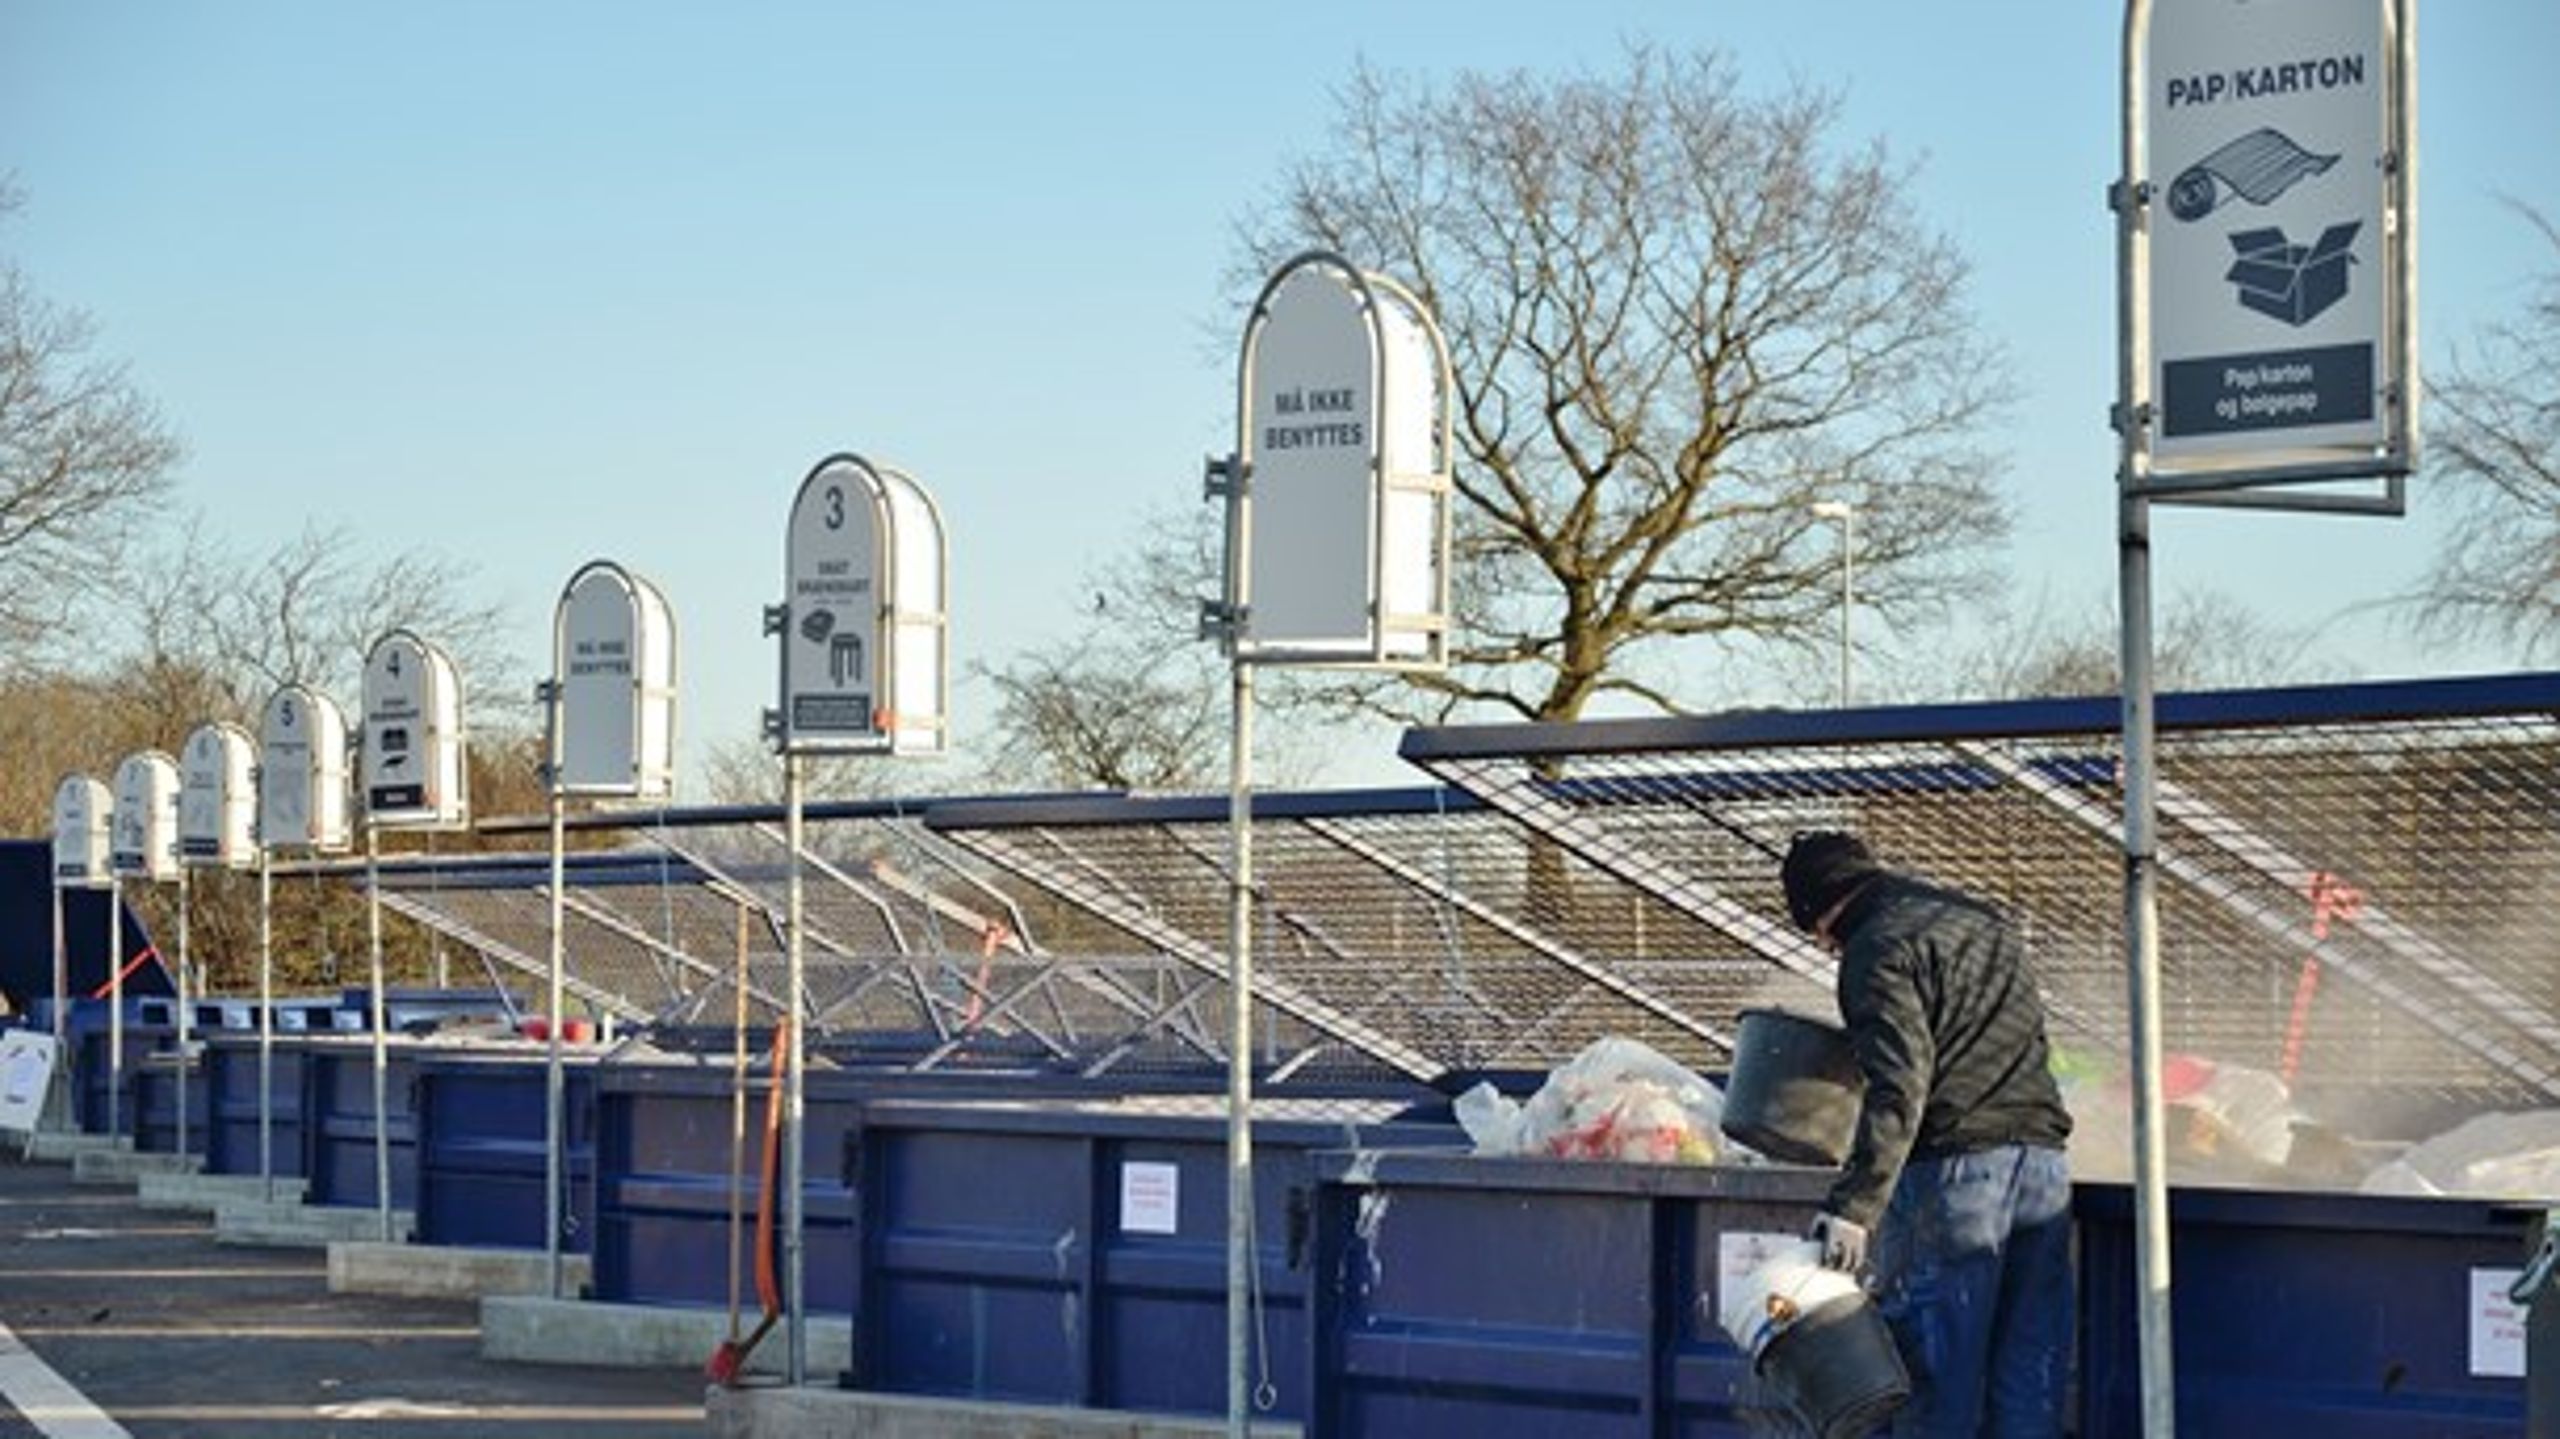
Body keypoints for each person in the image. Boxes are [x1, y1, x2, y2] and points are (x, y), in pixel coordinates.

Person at [1778, 831, 2075, 1437]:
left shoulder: (1875, 947)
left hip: (1958, 1177)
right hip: (2043, 1168)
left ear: (1818, 914)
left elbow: (1899, 1086)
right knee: (2028, 1375)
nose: (1827, 949)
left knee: (1935, 1380)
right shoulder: (1981, 920)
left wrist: (1855, 1206)